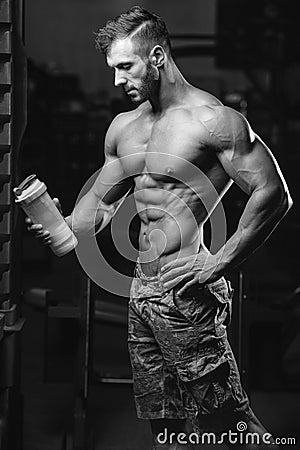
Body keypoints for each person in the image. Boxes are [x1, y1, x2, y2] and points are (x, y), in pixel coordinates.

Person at [27, 6, 292, 449]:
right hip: (141, 293)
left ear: (157, 57)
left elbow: (273, 193)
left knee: (227, 423)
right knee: (163, 422)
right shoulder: (123, 129)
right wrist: (59, 222)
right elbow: (100, 206)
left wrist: (221, 262)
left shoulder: (213, 120)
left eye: (125, 67)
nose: (116, 81)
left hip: (186, 290)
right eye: (112, 69)